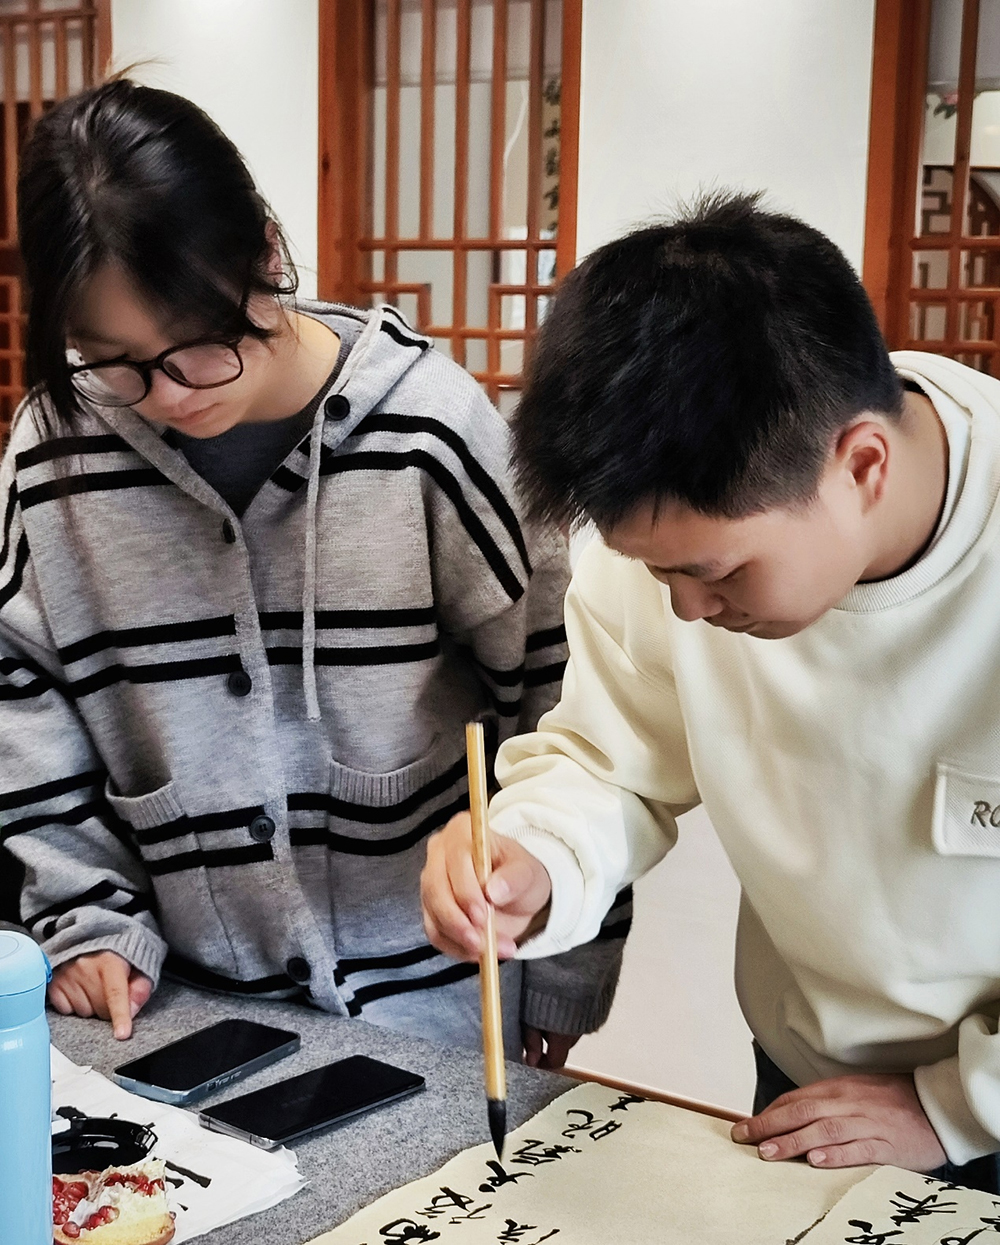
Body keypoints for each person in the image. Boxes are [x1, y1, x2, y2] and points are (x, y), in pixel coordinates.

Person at [0, 77, 628, 1065]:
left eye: (199, 344)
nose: (169, 396)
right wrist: (86, 914)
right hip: (185, 1009)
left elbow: (560, 693)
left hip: (434, 1007)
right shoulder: (56, 450)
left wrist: (560, 967)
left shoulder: (425, 428)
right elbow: (24, 698)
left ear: (266, 253)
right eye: (114, 359)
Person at [420, 190, 1000, 1190]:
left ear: (860, 464)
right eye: (660, 575)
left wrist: (953, 1105)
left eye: (717, 573)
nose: (686, 610)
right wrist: (533, 858)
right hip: (811, 1076)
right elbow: (611, 760)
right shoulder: (671, 544)